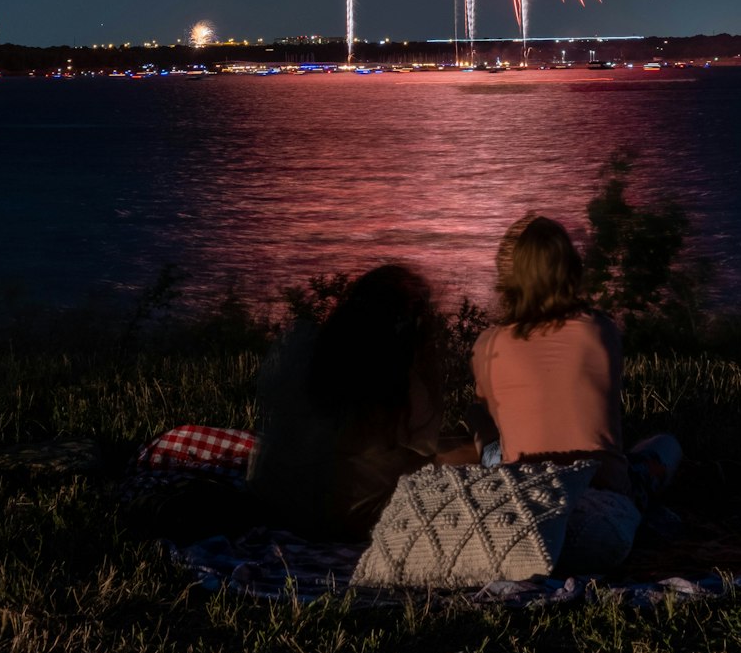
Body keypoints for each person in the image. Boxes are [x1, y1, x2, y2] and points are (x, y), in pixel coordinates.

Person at [470, 214, 681, 500]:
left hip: (530, 494)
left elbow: (491, 410)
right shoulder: (600, 330)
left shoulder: (488, 344)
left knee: (486, 434)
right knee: (666, 445)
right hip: (605, 490)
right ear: (571, 269)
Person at [247, 264, 442, 540]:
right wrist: (428, 364)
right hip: (348, 523)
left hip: (275, 508)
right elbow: (428, 445)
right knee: (437, 469)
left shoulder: (300, 347)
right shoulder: (397, 379)